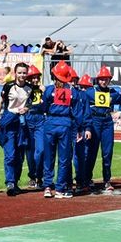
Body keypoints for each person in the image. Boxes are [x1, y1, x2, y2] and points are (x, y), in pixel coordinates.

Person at [37, 60, 87, 199]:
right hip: (65, 124)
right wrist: (79, 129)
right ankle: (59, 188)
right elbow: (77, 113)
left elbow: (44, 107)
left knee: (49, 157)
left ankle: (47, 186)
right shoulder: (73, 92)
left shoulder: (48, 90)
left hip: (50, 124)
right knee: (64, 158)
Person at [82, 66, 121, 192]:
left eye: (106, 79)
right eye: (101, 79)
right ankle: (87, 179)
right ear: (98, 80)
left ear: (109, 80)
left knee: (107, 153)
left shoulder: (113, 93)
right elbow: (81, 104)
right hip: (94, 122)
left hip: (107, 122)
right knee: (91, 153)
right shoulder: (90, 92)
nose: (104, 82)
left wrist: (119, 111)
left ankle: (107, 180)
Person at [0, 61, 33, 195]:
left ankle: (15, 181)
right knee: (10, 154)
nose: (22, 75)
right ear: (15, 73)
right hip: (9, 120)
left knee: (20, 156)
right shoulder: (8, 86)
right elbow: (1, 102)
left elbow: (32, 104)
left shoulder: (30, 88)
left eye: (24, 73)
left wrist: (26, 108)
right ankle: (9, 182)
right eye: (20, 72)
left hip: (22, 123)